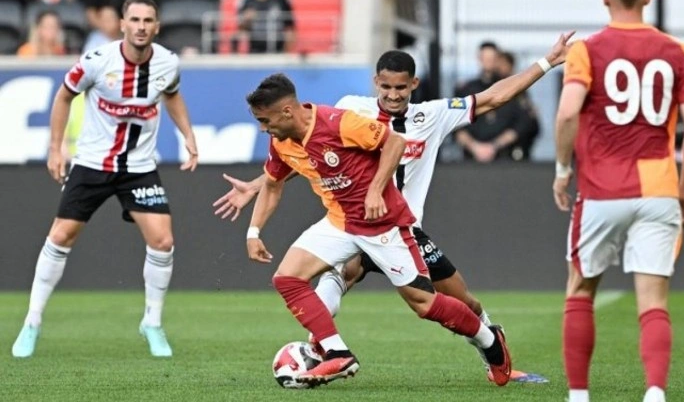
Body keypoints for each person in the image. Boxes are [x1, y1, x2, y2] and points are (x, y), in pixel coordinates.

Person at [215, 33, 572, 383]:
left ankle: (492, 348)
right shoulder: (351, 108)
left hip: (399, 227)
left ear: (413, 85)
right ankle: (326, 350)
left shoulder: (433, 115)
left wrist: (546, 63)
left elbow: (494, 97)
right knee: (331, 276)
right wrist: (258, 185)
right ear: (376, 83)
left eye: (401, 88)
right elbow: (312, 151)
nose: (393, 94)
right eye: (386, 87)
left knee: (460, 302)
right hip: (348, 220)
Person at [242, 73, 515, 387]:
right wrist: (254, 232)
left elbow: (395, 142)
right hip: (340, 222)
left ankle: (490, 341)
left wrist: (375, 190)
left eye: (265, 120)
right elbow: (272, 185)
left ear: (287, 111)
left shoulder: (338, 122)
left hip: (383, 224)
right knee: (287, 278)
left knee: (424, 303)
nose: (263, 128)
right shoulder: (281, 141)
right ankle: (337, 353)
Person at [11, 0, 199, 359]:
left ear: (157, 27)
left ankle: (152, 323)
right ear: (123, 24)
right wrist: (55, 148)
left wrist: (188, 134)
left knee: (163, 241)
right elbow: (63, 97)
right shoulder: (97, 61)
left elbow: (172, 95)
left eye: (148, 20)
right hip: (93, 163)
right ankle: (32, 321)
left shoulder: (167, 63)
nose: (141, 26)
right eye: (135, 20)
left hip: (139, 166)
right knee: (61, 235)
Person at [552, 0, 684, 401]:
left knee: (580, 290)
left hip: (601, 189)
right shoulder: (679, 51)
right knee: (653, 302)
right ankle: (655, 392)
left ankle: (579, 396)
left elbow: (567, 113)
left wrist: (563, 170)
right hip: (658, 188)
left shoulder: (586, 50)